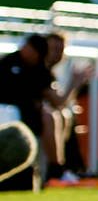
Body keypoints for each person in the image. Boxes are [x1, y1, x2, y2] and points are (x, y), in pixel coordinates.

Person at [0, 32, 92, 181]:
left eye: (60, 50)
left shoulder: (40, 70)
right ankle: (57, 169)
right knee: (51, 116)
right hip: (13, 116)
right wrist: (75, 83)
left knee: (62, 115)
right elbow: (57, 101)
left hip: (26, 116)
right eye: (53, 49)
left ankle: (62, 168)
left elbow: (57, 101)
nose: (55, 54)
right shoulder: (9, 62)